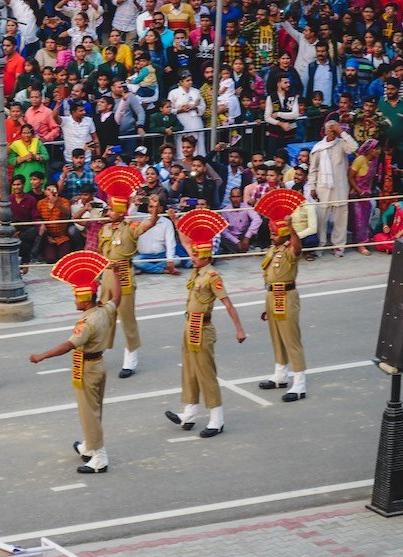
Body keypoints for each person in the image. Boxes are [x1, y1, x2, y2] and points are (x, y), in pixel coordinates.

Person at [30, 251, 120, 474]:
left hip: (88, 368)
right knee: (93, 409)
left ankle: (99, 457)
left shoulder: (87, 323)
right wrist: (116, 274)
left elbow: (67, 346)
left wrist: (42, 356)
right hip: (97, 364)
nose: (74, 300)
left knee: (89, 413)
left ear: (84, 298)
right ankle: (89, 446)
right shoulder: (104, 311)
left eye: (76, 297)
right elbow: (117, 298)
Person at [166, 209, 247, 438]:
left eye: (196, 255)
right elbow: (184, 240)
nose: (192, 257)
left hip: (203, 328)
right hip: (189, 326)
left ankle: (216, 419)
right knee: (190, 371)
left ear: (206, 256)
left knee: (206, 374)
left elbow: (228, 303)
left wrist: (239, 329)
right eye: (192, 254)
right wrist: (175, 221)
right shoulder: (198, 270)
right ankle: (189, 414)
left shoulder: (212, 276)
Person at [98, 170, 158, 378]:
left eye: (112, 209)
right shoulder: (104, 229)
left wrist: (154, 210)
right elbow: (99, 252)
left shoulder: (130, 228)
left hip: (123, 273)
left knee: (127, 317)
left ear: (121, 211)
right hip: (106, 274)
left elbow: (149, 224)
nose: (109, 212)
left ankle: (130, 360)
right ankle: (99, 351)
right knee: (104, 316)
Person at [254, 192, 308, 403]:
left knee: (291, 339)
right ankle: (280, 374)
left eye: (275, 233)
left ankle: (300, 383)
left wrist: (291, 226)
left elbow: (297, 245)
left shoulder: (290, 250)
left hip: (287, 295)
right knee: (277, 337)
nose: (272, 236)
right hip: (273, 295)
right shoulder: (274, 249)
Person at [309, 120, 358, 257]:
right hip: (323, 188)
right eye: (329, 129)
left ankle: (338, 246)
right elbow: (313, 170)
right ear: (324, 131)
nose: (331, 132)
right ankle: (320, 244)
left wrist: (342, 132)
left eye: (333, 129)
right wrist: (312, 186)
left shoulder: (342, 144)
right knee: (321, 218)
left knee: (341, 218)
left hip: (340, 187)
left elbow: (354, 147)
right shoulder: (318, 147)